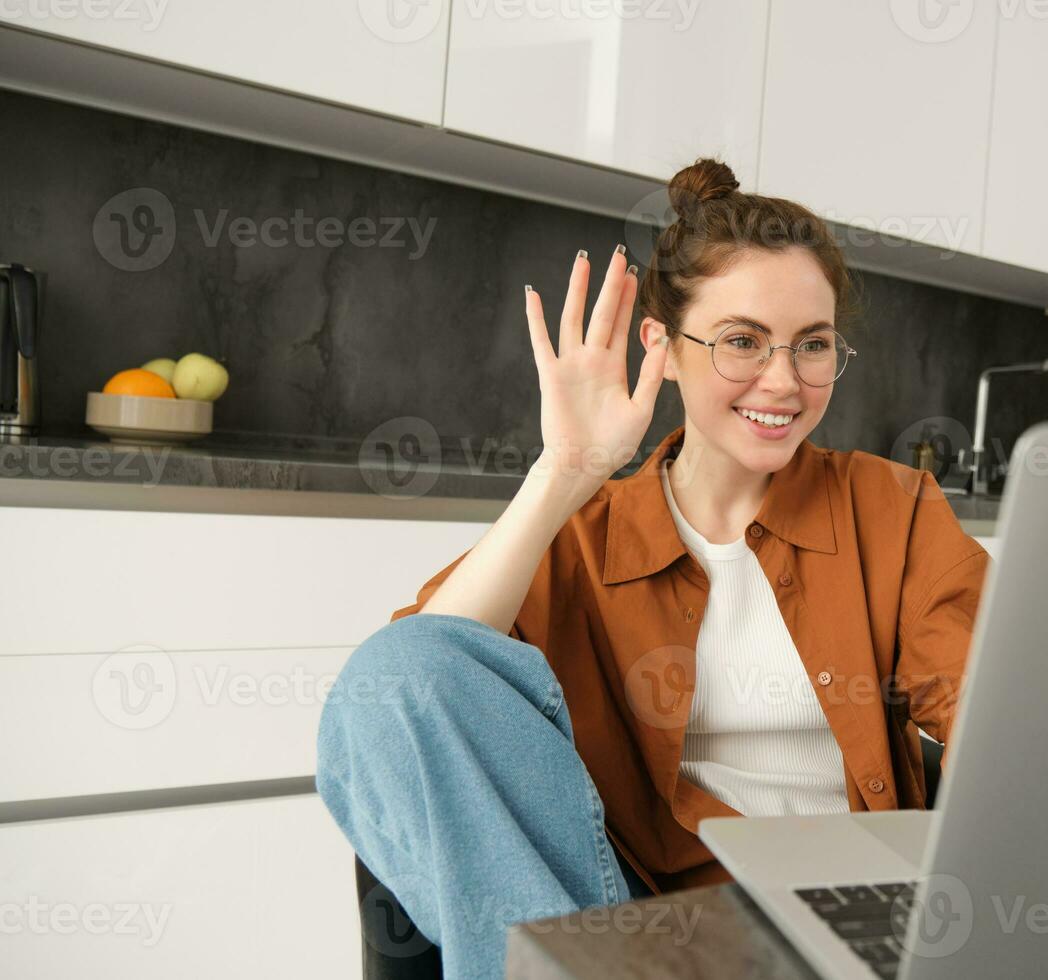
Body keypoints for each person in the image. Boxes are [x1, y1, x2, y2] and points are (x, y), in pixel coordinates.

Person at [315, 157, 990, 980]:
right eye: (742, 341)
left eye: (811, 345)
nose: (783, 381)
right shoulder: (588, 536)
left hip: (840, 921)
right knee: (393, 675)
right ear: (663, 349)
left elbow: (996, 717)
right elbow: (411, 691)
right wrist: (565, 472)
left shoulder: (893, 508)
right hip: (643, 928)